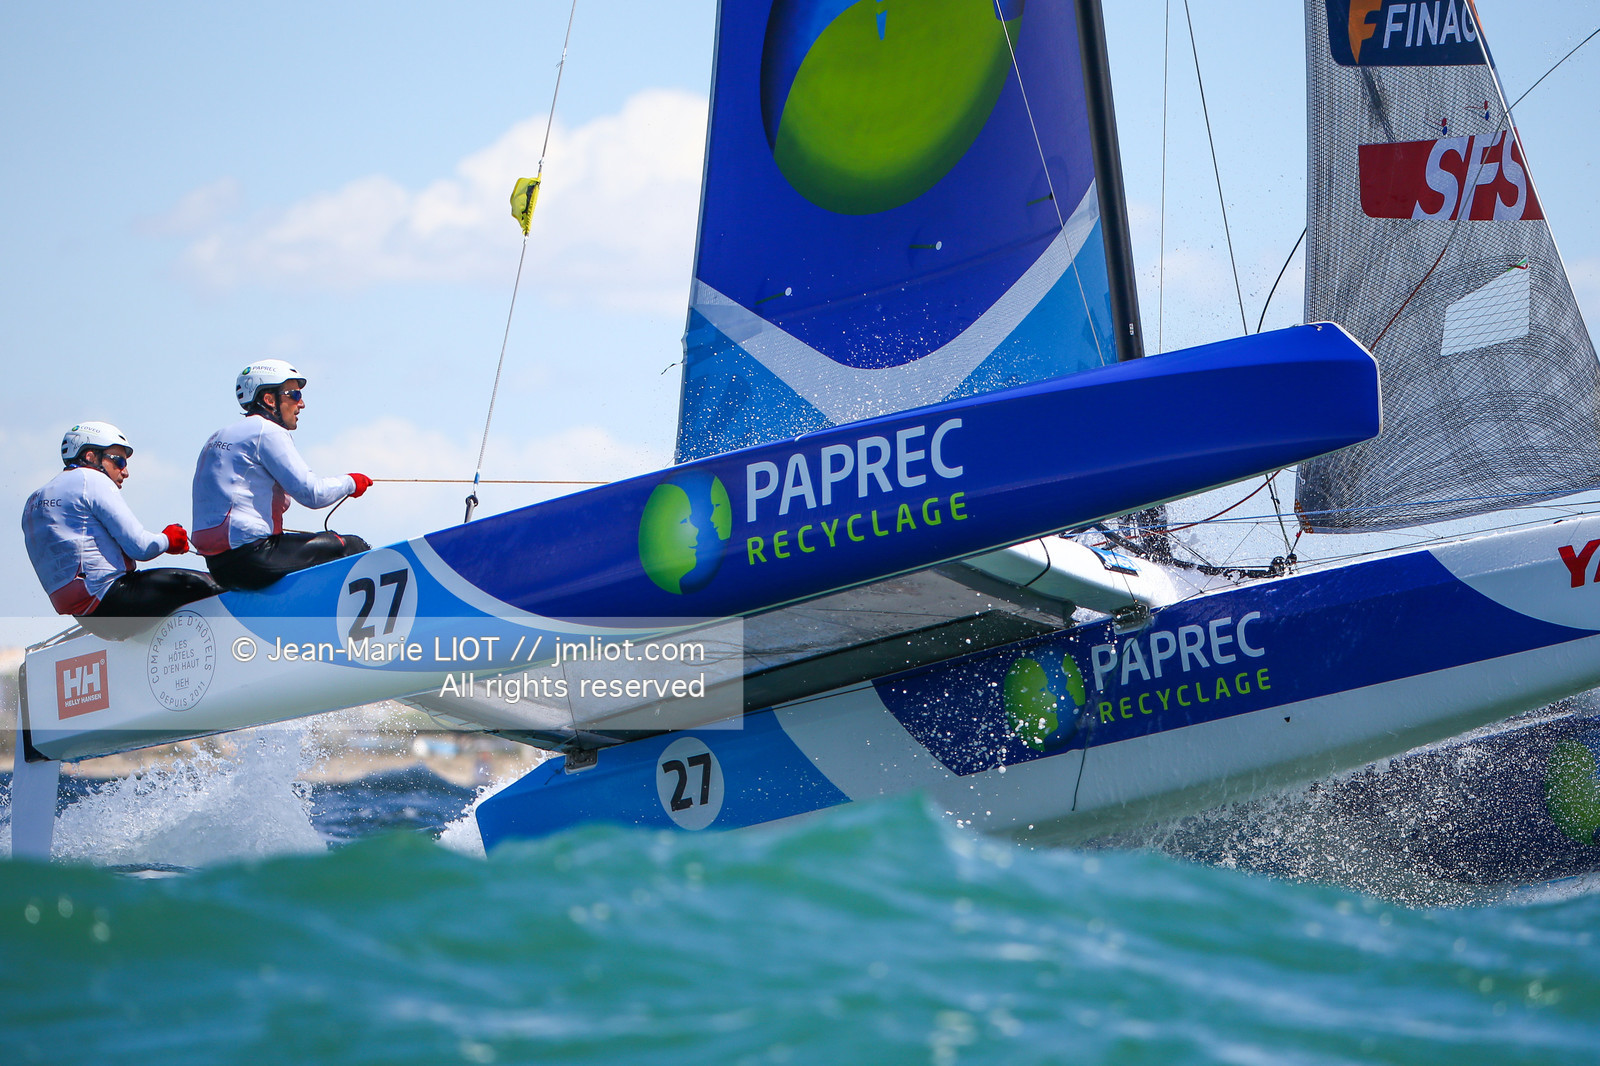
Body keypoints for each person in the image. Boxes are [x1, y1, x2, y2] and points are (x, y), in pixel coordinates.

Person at [22, 422, 221, 639]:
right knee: (216, 585)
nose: (125, 472)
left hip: (89, 618)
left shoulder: (33, 501)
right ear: (90, 457)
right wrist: (168, 539)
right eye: (119, 461)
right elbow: (141, 547)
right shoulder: (90, 480)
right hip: (116, 599)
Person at [193, 359, 373, 590]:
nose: (302, 404)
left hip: (220, 566)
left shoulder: (218, 435)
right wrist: (351, 481)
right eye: (294, 395)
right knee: (349, 546)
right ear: (269, 400)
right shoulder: (267, 432)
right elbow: (312, 494)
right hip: (254, 557)